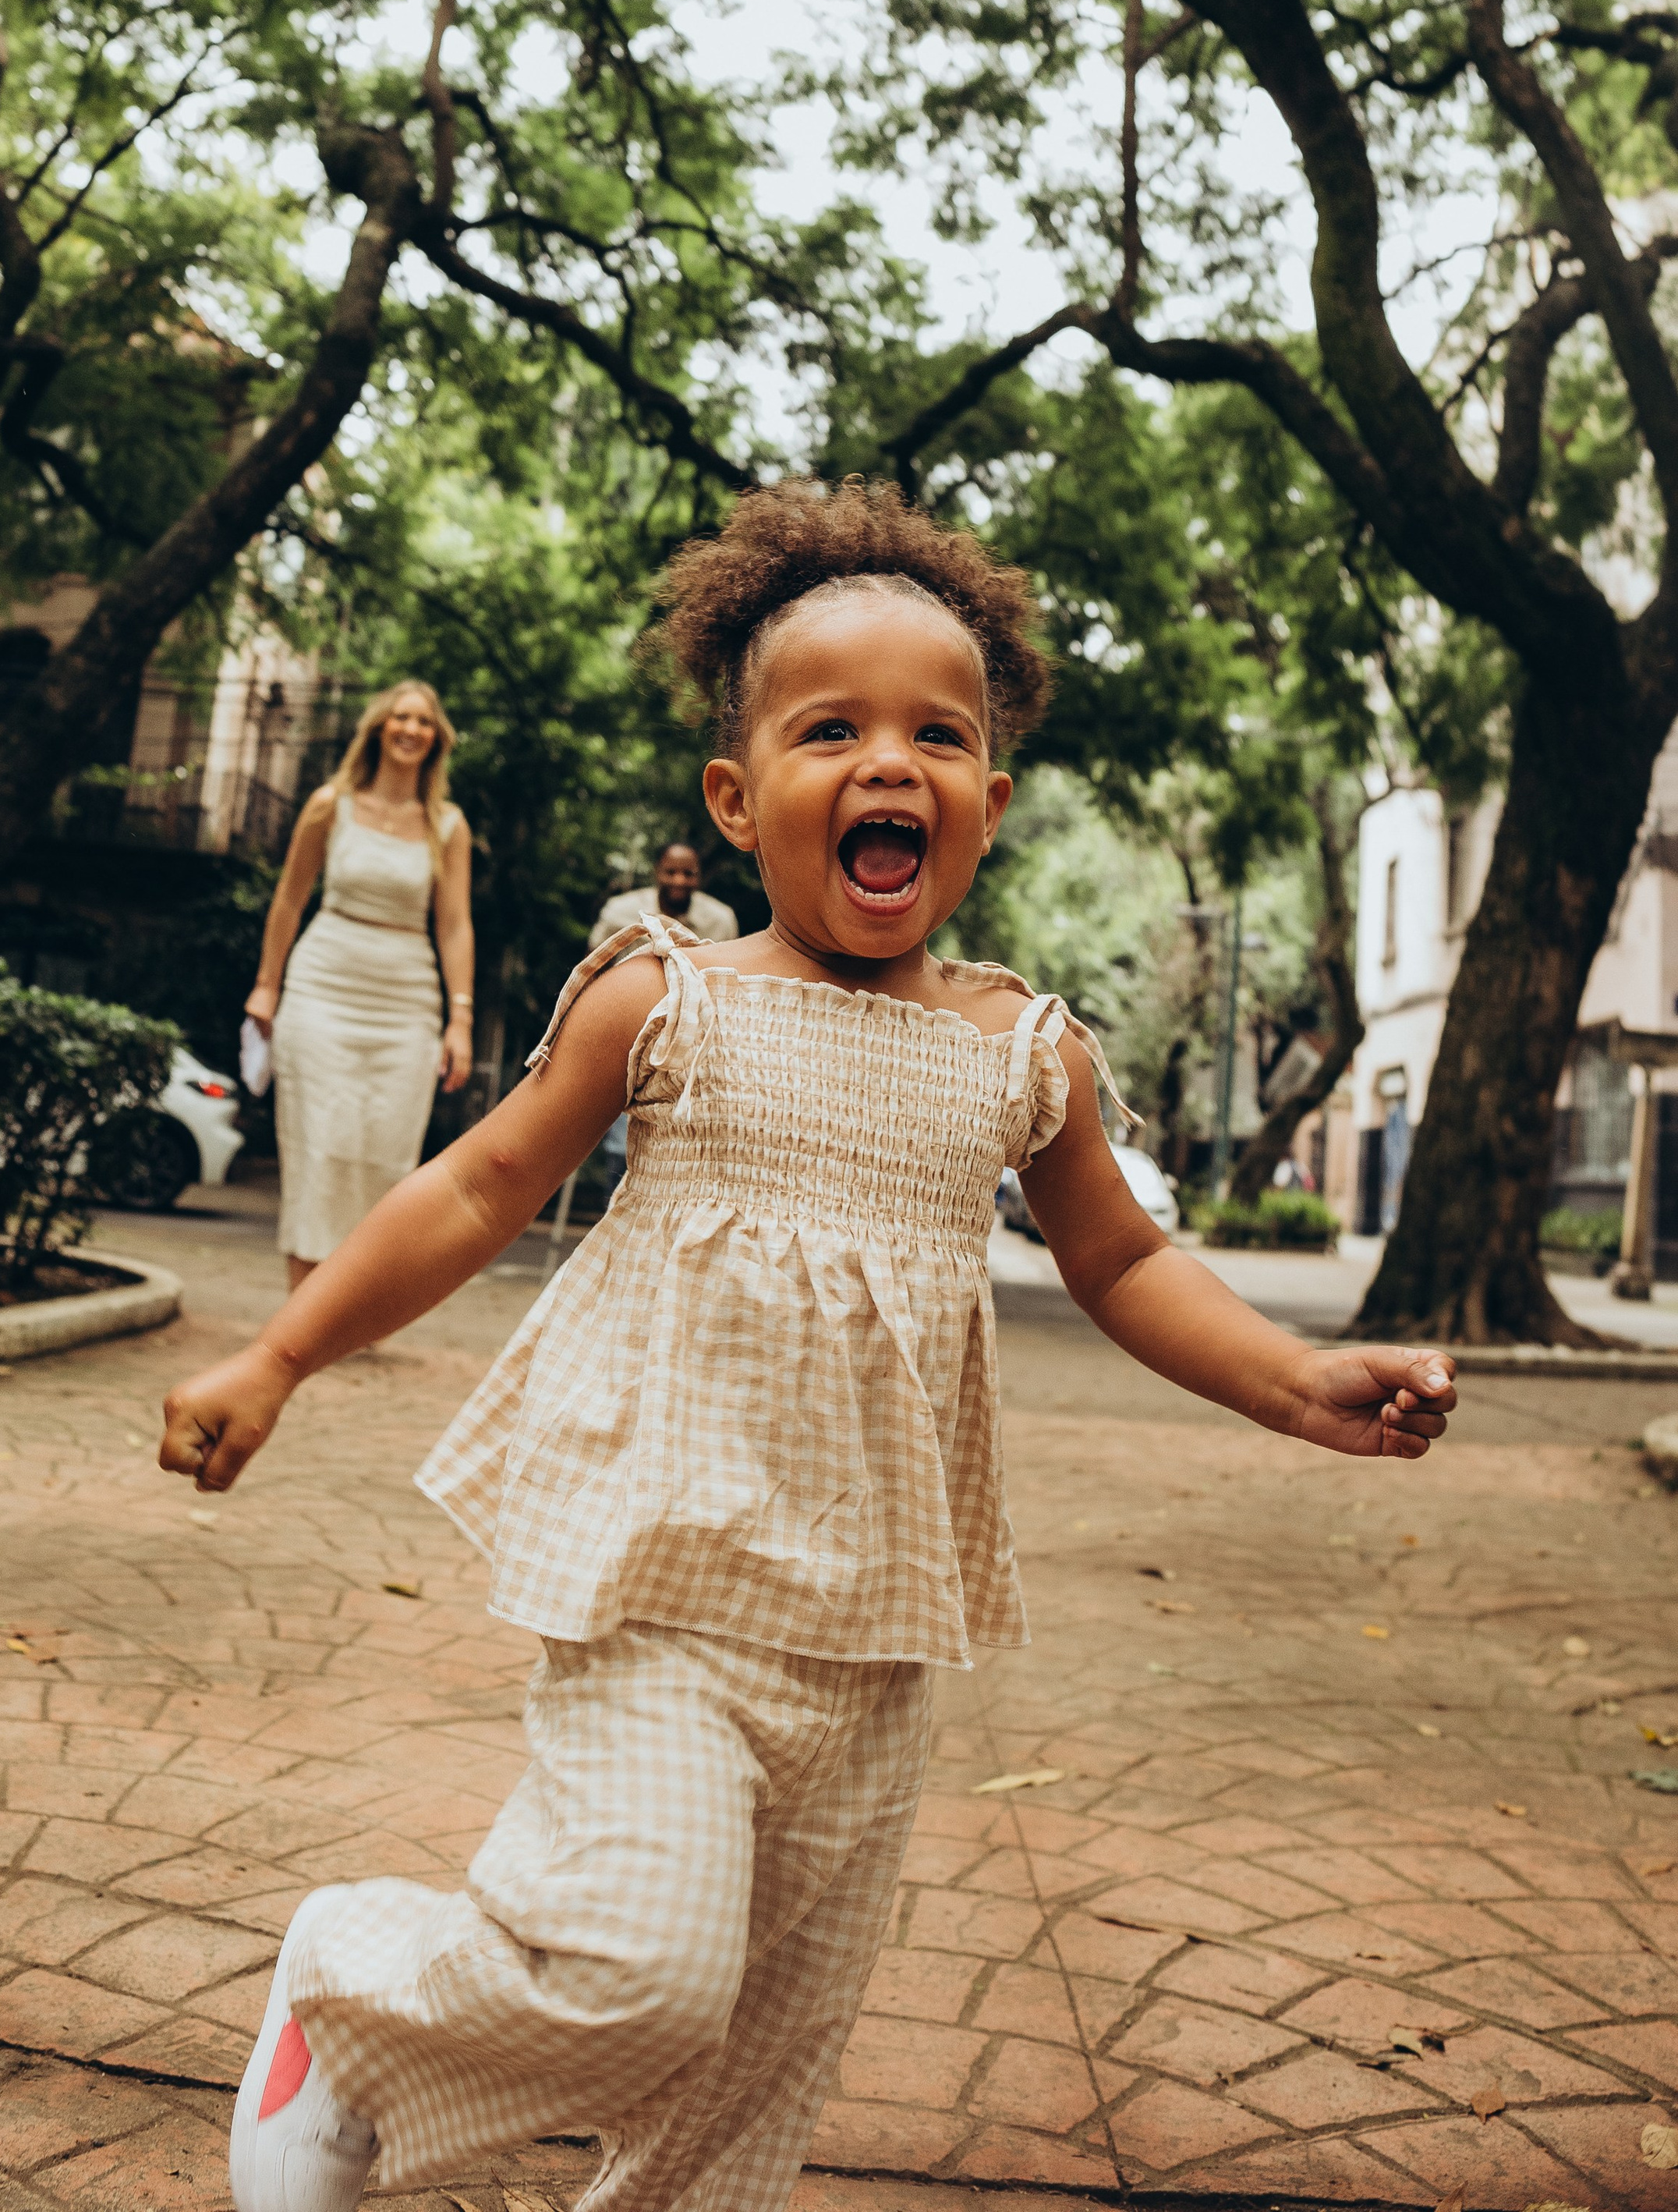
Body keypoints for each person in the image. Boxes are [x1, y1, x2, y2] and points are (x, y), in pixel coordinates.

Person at [161, 480, 1457, 2212]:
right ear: (736, 792)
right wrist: (280, 1356)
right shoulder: (665, 997)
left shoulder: (1022, 1053)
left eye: (936, 734)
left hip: (870, 1632)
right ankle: (351, 1986)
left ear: (985, 804)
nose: (886, 763)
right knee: (633, 1969)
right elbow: (474, 1187)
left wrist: (1295, 1380)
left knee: (755, 2066)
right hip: (661, 1595)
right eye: (827, 727)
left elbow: (1120, 1256)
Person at [245, 679, 474, 1292]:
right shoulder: (330, 803)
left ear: (435, 739)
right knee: (318, 1143)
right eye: (399, 717)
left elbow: (454, 925)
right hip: (324, 982)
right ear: (378, 728)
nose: (410, 729)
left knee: (385, 1154)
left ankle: (354, 1305)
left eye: (423, 721)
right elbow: (289, 901)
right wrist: (266, 986)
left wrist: (461, 1021)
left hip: (406, 999)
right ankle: (302, 1304)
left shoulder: (446, 825)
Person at [589, 837, 738, 952]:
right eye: (671, 872)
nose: (679, 881)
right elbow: (591, 967)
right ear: (657, 872)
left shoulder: (721, 921)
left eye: (688, 873)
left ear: (699, 876)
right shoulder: (620, 910)